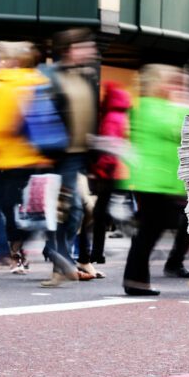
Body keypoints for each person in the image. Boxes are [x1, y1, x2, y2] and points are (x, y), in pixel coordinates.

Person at [0, 41, 69, 282]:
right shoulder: (35, 80)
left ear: (4, 61)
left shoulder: (0, 85)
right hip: (34, 157)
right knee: (21, 213)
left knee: (10, 216)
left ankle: (54, 253)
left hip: (7, 162)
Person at [121, 65, 189, 296]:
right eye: (171, 82)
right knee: (149, 230)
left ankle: (137, 279)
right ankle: (135, 280)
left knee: (149, 230)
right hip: (154, 180)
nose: (175, 87)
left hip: (154, 179)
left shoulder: (146, 106)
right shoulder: (151, 106)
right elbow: (182, 128)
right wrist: (185, 102)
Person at [41, 28, 100, 285]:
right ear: (69, 49)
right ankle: (59, 263)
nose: (90, 51)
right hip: (58, 153)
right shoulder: (50, 76)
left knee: (75, 211)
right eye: (84, 46)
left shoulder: (86, 77)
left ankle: (59, 259)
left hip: (79, 155)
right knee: (68, 209)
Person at [81, 81, 132, 267]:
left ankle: (97, 252)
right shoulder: (122, 116)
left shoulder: (111, 117)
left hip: (109, 172)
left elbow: (109, 147)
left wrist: (99, 169)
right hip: (119, 171)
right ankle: (97, 252)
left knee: (99, 213)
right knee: (104, 212)